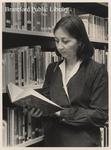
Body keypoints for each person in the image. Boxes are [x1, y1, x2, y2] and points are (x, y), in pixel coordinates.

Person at [35, 15, 108, 147]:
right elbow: (46, 102)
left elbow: (100, 115)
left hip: (82, 142)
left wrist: (61, 113)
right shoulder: (52, 69)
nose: (60, 47)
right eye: (56, 41)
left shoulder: (97, 70)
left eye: (65, 41)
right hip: (53, 141)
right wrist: (36, 109)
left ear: (80, 41)